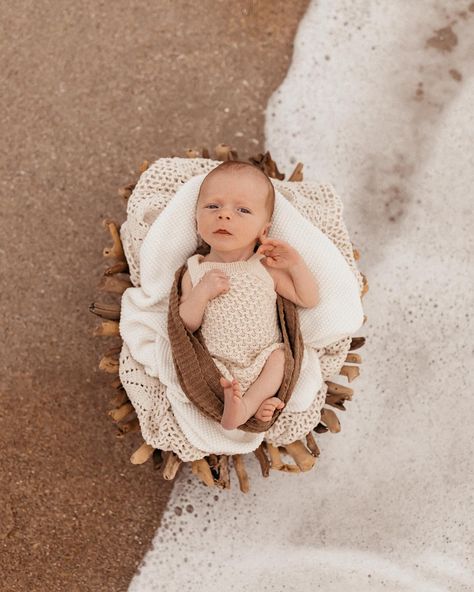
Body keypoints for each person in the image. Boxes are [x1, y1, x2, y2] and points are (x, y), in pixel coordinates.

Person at [178, 160, 319, 430]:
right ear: (197, 221)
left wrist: (295, 265)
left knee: (280, 359)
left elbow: (308, 298)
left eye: (242, 210)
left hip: (262, 360)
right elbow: (186, 323)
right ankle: (243, 406)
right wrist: (202, 293)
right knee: (217, 380)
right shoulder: (195, 270)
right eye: (212, 206)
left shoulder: (264, 268)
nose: (225, 215)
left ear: (263, 231)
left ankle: (249, 404)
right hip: (216, 365)